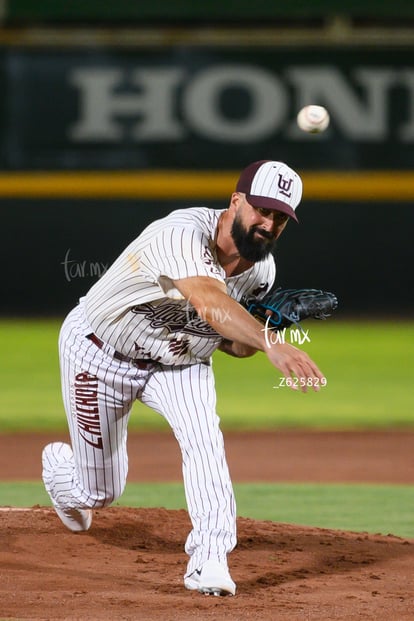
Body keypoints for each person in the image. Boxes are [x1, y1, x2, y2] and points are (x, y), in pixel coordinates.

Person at [42, 159, 324, 597]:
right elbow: (209, 303)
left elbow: (232, 343)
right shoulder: (180, 233)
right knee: (99, 491)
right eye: (262, 210)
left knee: (205, 441)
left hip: (180, 362)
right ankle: (63, 476)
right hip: (100, 351)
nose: (268, 224)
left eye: (280, 218)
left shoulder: (260, 272)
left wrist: (270, 323)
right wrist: (272, 343)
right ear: (236, 201)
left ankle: (209, 559)